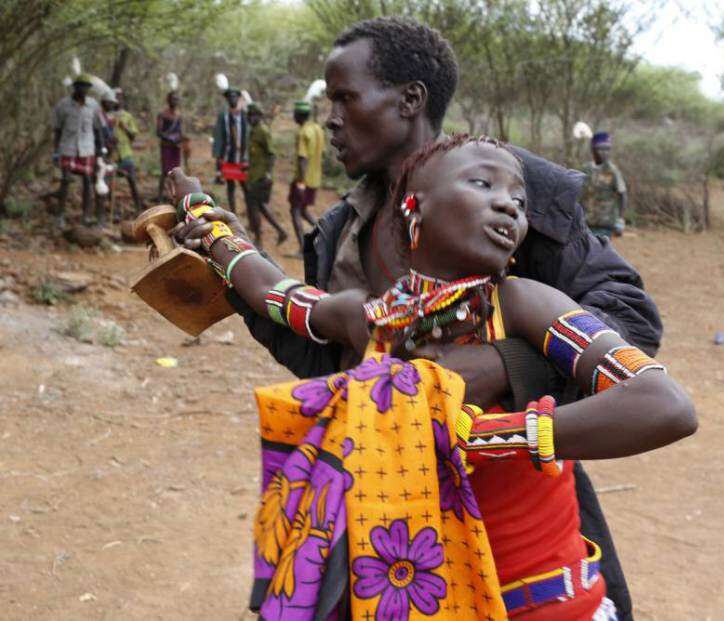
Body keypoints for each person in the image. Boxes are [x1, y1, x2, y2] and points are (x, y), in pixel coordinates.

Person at [175, 17, 662, 620]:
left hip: (526, 552)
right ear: (416, 210)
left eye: (345, 98)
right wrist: (220, 242)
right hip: (398, 545)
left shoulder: (504, 192)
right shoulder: (342, 232)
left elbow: (630, 316)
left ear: (409, 101)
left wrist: (502, 368)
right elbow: (315, 339)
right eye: (331, 102)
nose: (331, 118)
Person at [52, 73, 105, 227]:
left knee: (88, 182)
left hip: (87, 149)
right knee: (66, 180)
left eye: (86, 86)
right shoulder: (63, 105)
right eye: (80, 86)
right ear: (75, 87)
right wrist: (56, 151)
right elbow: (57, 130)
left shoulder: (93, 106)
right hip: (67, 148)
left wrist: (101, 148)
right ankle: (60, 216)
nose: (83, 89)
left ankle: (85, 216)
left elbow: (98, 128)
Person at [243, 102, 288, 249]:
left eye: (254, 115)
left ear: (259, 116)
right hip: (253, 176)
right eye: (249, 116)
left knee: (253, 207)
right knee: (259, 206)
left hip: (261, 178)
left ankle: (258, 240)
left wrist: (268, 173)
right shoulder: (253, 131)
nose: (251, 118)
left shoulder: (262, 131)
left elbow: (271, 154)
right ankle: (281, 231)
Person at [101, 89, 143, 218]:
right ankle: (111, 210)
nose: (117, 100)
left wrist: (125, 127)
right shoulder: (106, 116)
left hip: (126, 154)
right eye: (115, 98)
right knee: (107, 182)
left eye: (120, 98)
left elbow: (133, 136)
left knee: (132, 180)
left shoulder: (127, 116)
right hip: (111, 155)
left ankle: (139, 208)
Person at [289, 100, 323, 251]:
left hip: (303, 180)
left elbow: (303, 159)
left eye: (294, 114)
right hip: (315, 179)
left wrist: (301, 183)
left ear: (298, 115)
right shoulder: (317, 129)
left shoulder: (303, 132)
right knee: (302, 210)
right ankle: (324, 233)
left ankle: (303, 249)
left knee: (295, 210)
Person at [581, 132, 629, 237]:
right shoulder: (585, 169)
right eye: (601, 149)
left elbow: (622, 195)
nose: (605, 152)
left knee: (598, 252)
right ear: (592, 150)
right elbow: (578, 194)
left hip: (605, 224)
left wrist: (620, 220)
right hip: (585, 222)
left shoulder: (612, 171)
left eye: (607, 149)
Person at [212, 87, 249, 214]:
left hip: (243, 158)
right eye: (230, 97)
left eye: (235, 97)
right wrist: (218, 158)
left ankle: (250, 213)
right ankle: (234, 213)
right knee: (231, 186)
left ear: (238, 98)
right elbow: (218, 137)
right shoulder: (224, 116)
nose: (232, 99)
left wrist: (248, 157)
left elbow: (249, 137)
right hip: (228, 157)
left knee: (246, 187)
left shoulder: (245, 115)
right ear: (227, 100)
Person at [156, 91, 184, 202]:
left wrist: (179, 139)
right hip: (167, 146)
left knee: (175, 172)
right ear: (168, 100)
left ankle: (174, 197)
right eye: (173, 99)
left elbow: (180, 131)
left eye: (177, 99)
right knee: (165, 172)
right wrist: (170, 138)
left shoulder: (179, 115)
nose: (175, 101)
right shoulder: (163, 114)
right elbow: (158, 132)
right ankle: (160, 198)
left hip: (176, 147)